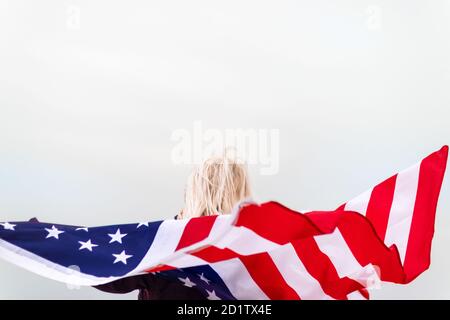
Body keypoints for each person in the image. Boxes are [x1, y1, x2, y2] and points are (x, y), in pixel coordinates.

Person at [94, 153, 252, 299]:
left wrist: (72, 250)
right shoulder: (254, 248)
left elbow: (111, 278)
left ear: (192, 192)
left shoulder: (164, 243)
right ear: (242, 193)